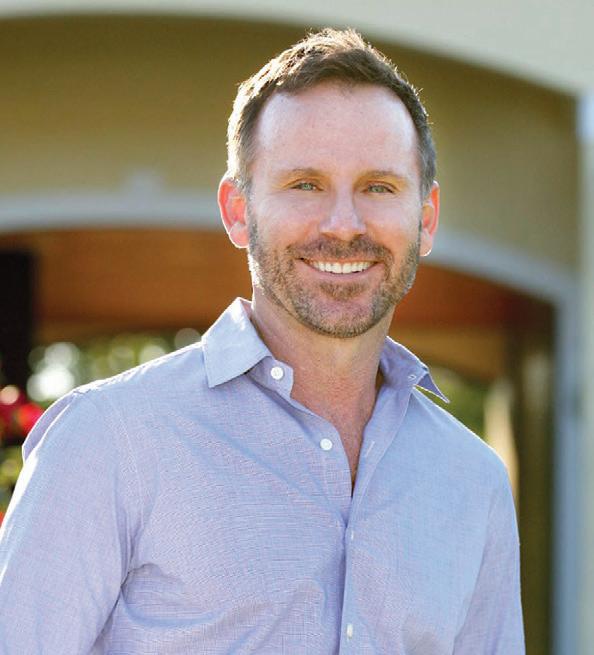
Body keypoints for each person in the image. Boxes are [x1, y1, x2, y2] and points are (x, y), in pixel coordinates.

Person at [0, 28, 524, 654]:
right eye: (305, 184)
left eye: (379, 187)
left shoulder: (473, 482)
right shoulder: (109, 441)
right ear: (237, 211)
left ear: (426, 218)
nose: (344, 225)